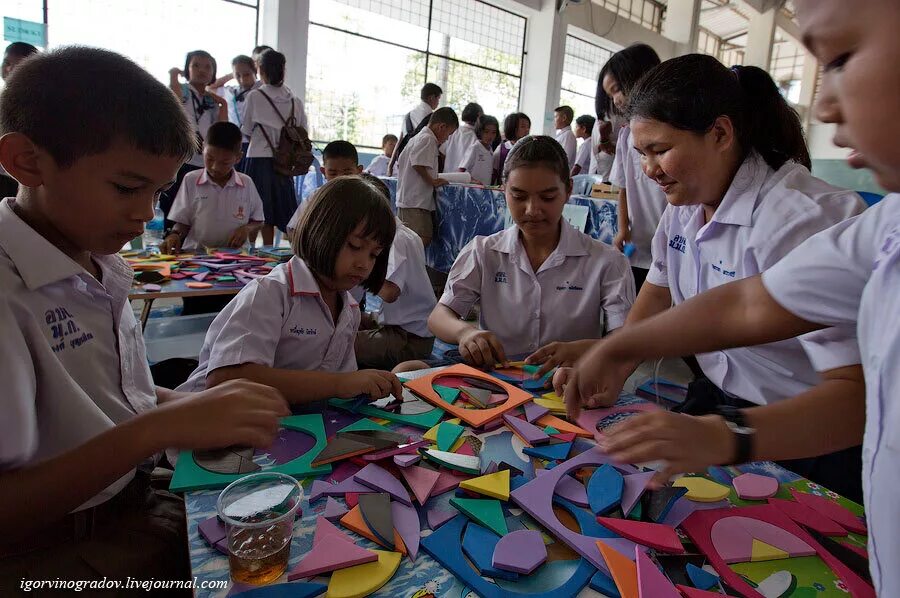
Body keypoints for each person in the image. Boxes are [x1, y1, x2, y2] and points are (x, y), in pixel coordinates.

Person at [0, 47, 289, 590]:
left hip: (136, 499)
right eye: (127, 188)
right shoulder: (7, 294)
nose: (144, 215)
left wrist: (196, 406)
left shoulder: (99, 263)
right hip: (53, 554)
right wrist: (159, 428)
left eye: (156, 192)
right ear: (27, 161)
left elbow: (111, 395)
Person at [561, 53, 868, 503]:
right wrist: (615, 364)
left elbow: (854, 398)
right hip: (720, 406)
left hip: (805, 433)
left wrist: (726, 435)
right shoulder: (682, 213)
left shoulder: (802, 221)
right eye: (641, 154)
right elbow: (657, 297)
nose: (649, 171)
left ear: (720, 133)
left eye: (660, 151)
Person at [178, 177, 404, 405]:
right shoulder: (270, 293)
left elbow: (334, 392)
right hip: (209, 425)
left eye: (374, 254)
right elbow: (225, 380)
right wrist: (339, 384)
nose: (364, 264)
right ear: (322, 232)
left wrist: (358, 385)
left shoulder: (349, 311)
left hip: (281, 427)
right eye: (355, 246)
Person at [427, 136, 634, 368]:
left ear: (568, 191)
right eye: (519, 196)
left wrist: (583, 350)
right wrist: (464, 333)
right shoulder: (484, 251)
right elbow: (439, 316)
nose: (532, 210)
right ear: (504, 191)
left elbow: (626, 340)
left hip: (570, 385)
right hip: (499, 385)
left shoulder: (606, 262)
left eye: (547, 197)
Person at [600, 44, 667, 291]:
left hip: (672, 243)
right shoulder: (627, 136)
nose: (616, 100)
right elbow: (623, 188)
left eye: (617, 89)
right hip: (640, 246)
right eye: (610, 95)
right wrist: (622, 229)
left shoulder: (671, 131)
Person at [355, 174, 435, 370]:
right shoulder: (404, 233)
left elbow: (390, 293)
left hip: (409, 339)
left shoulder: (397, 240)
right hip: (406, 326)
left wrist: (356, 270)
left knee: (338, 345)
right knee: (351, 320)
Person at [162, 121, 263, 253]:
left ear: (238, 157)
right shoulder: (191, 180)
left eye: (224, 163)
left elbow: (258, 220)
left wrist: (246, 229)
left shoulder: (246, 183)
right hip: (197, 254)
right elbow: (182, 221)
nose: (215, 167)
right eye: (210, 158)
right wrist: (174, 234)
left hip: (235, 256)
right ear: (203, 147)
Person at [241, 49, 307, 245]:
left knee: (259, 209)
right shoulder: (295, 101)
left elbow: (246, 129)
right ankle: (273, 253)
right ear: (283, 70)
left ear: (260, 70)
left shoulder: (254, 96)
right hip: (284, 162)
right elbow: (303, 130)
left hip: (259, 158)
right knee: (282, 209)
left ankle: (254, 251)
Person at [161, 50, 228, 225]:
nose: (202, 70)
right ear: (187, 69)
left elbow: (221, 131)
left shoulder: (211, 100)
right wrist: (174, 75)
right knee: (175, 205)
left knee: (199, 207)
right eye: (195, 65)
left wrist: (223, 104)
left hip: (203, 160)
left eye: (208, 67)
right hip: (181, 158)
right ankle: (173, 242)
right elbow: (173, 102)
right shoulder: (182, 90)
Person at [395, 107, 459, 248]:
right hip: (415, 201)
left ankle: (407, 264)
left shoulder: (417, 138)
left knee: (416, 238)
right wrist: (433, 181)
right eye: (448, 134)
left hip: (409, 199)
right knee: (421, 237)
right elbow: (417, 163)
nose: (447, 138)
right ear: (441, 127)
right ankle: (407, 266)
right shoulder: (428, 139)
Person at [286, 140, 363, 235]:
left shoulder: (367, 199)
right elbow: (293, 229)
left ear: (359, 171)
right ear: (324, 172)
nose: (340, 178)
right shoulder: (315, 198)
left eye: (347, 173)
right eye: (333, 173)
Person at [0, 42, 39, 198]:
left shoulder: (36, 105)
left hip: (20, 180)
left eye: (18, 65)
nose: (9, 69)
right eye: (7, 63)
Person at [442, 102, 483, 172]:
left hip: (447, 175)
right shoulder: (476, 137)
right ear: (479, 115)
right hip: (465, 178)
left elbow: (442, 152)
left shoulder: (453, 131)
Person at [459, 115, 499, 186]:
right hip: (472, 189)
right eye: (486, 132)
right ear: (480, 131)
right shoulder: (475, 148)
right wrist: (473, 181)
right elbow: (461, 170)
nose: (490, 136)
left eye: (493, 132)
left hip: (484, 190)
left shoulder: (490, 150)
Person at [493, 112, 531, 185]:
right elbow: (494, 172)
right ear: (512, 127)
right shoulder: (502, 149)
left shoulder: (530, 148)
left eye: (528, 127)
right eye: (523, 126)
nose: (527, 130)